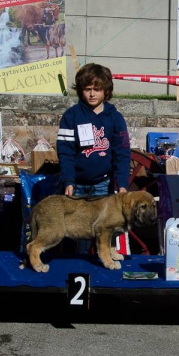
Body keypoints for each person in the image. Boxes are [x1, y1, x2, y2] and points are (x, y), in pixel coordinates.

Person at [57, 63, 131, 252]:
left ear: (106, 91)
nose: (92, 94)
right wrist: (68, 180)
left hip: (103, 184)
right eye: (87, 89)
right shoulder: (71, 116)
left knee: (105, 228)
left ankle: (104, 263)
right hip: (77, 184)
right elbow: (65, 152)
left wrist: (122, 184)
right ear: (80, 90)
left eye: (97, 89)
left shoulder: (115, 119)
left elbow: (122, 154)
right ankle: (78, 265)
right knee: (77, 230)